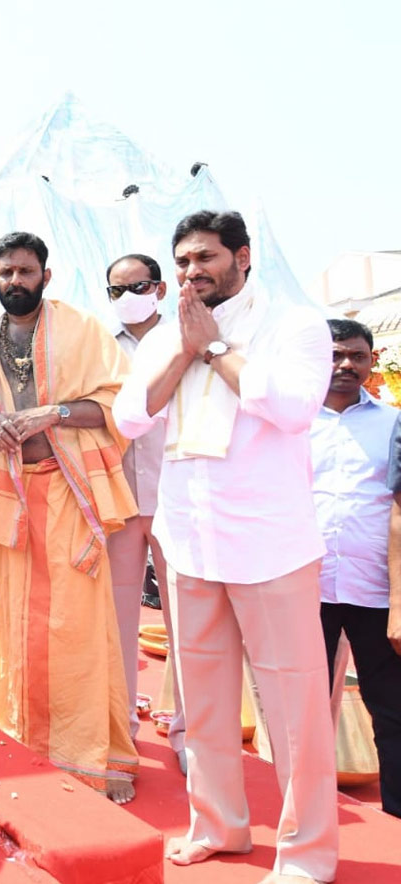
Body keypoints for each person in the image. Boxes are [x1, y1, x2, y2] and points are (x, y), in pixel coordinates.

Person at [113, 210, 337, 883]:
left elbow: (294, 409)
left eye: (205, 259)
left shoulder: (294, 325)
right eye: (181, 262)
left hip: (271, 545)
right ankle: (218, 827)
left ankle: (306, 855)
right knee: (205, 704)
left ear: (243, 258)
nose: (190, 273)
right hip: (190, 543)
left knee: (294, 709)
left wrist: (214, 349)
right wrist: (185, 348)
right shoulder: (168, 334)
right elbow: (128, 416)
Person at [0, 232, 139, 803]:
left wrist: (51, 413)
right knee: (11, 625)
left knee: (77, 626)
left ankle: (90, 755)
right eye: (7, 272)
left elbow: (117, 404)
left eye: (26, 272)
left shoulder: (82, 330)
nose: (16, 281)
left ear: (46, 275)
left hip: (68, 494)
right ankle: (24, 738)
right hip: (11, 500)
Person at [103, 253, 187, 773]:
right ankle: (121, 730)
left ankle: (186, 733)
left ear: (158, 288)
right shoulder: (101, 349)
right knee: (117, 620)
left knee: (186, 619)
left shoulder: (186, 341)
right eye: (116, 290)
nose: (128, 296)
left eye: (138, 285)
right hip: (117, 499)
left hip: (179, 494)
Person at [313, 318, 400, 818]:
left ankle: (396, 818)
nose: (346, 365)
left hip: (376, 592)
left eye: (357, 356)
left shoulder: (392, 423)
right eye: (335, 354)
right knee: (301, 712)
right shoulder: (290, 424)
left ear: (372, 361)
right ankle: (307, 814)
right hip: (308, 589)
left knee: (391, 711)